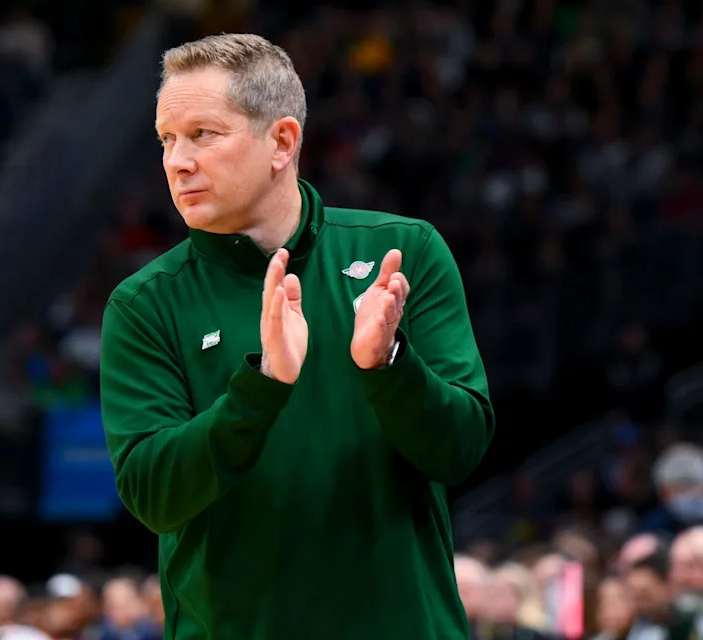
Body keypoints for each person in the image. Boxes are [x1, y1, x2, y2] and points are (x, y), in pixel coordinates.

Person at [99, 32, 494, 638]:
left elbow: (460, 450)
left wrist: (391, 364)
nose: (177, 161)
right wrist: (261, 387)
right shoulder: (145, 304)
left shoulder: (404, 252)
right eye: (167, 139)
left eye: (202, 134)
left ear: (282, 142)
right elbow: (153, 495)